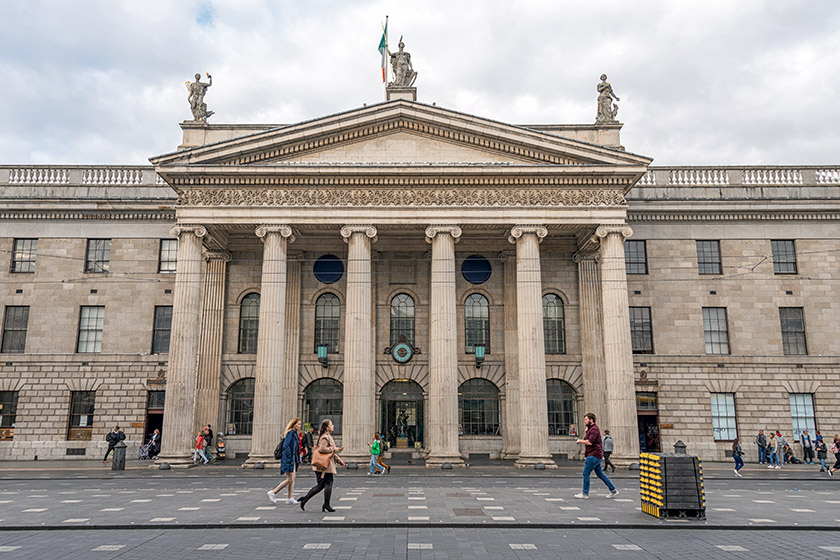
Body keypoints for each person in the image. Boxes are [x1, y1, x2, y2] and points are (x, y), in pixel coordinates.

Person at [298, 419, 344, 513]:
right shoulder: (324, 437)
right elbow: (322, 449)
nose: (333, 426)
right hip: (323, 466)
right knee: (327, 483)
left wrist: (339, 460)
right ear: (327, 427)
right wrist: (334, 449)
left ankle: (306, 499)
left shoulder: (327, 436)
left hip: (325, 465)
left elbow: (330, 453)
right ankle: (325, 504)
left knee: (322, 484)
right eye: (331, 425)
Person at [574, 412, 618, 499]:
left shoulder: (594, 430)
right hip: (596, 455)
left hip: (593, 455)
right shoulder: (591, 429)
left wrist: (580, 441)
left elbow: (590, 442)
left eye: (586, 419)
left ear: (591, 420)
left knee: (585, 473)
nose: (585, 421)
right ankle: (613, 490)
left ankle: (585, 493)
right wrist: (587, 431)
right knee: (600, 474)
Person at [267, 417, 302, 505]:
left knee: (292, 479)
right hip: (288, 459)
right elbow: (286, 446)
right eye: (298, 424)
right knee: (290, 479)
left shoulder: (294, 433)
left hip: (292, 459)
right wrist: (289, 456)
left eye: (300, 424)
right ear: (293, 424)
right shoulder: (290, 433)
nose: (299, 426)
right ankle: (273, 492)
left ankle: (290, 498)